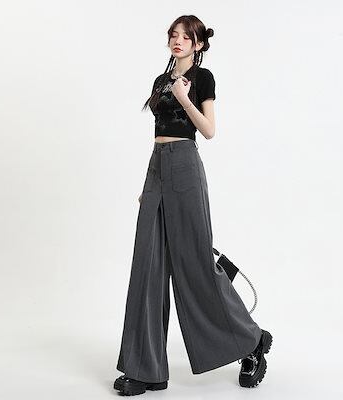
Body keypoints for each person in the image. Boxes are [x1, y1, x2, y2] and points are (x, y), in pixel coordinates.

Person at [113, 15, 273, 396]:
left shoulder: (203, 78)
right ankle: (146, 369)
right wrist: (150, 185)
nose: (177, 41)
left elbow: (209, 130)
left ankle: (251, 341)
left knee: (196, 263)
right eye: (173, 35)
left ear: (198, 44)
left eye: (185, 37)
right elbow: (159, 135)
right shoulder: (160, 80)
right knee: (147, 267)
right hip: (157, 168)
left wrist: (185, 98)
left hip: (185, 166)